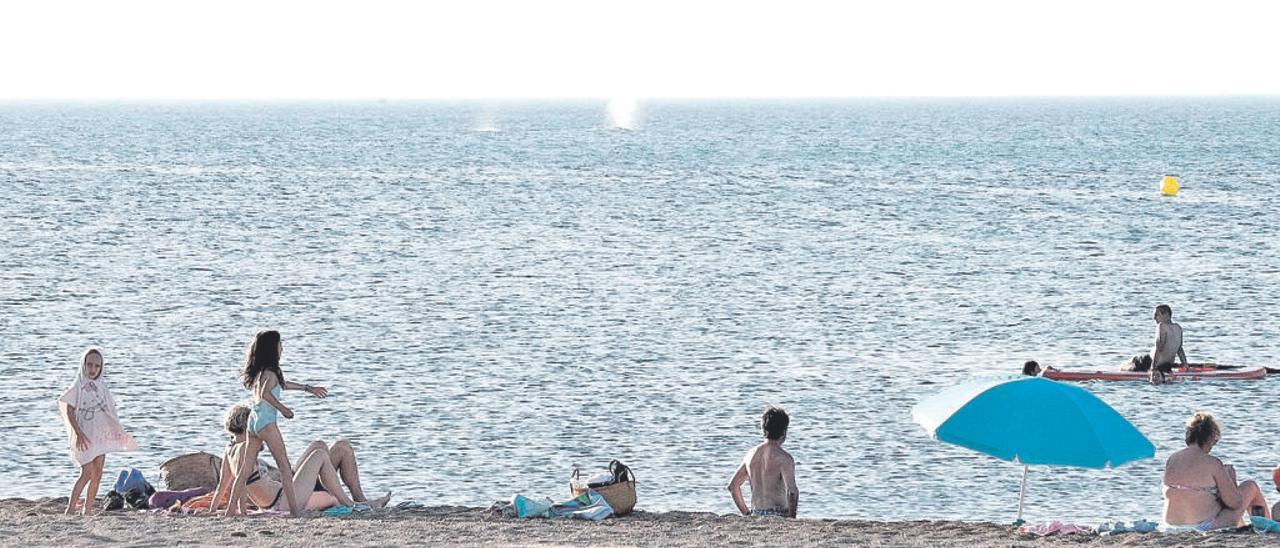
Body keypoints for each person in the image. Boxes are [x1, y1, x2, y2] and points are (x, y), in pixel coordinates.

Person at [206, 404, 390, 514]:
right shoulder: (246, 448)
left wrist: (212, 511)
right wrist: (236, 512)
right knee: (319, 455)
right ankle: (351, 504)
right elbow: (240, 482)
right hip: (283, 501)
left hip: (285, 492)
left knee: (319, 446)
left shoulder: (229, 450)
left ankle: (355, 498)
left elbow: (223, 486)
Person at [222, 330, 328, 517]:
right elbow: (265, 394)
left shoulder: (262, 372)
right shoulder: (270, 372)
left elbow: (282, 385)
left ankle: (231, 510)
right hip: (266, 423)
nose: (282, 348)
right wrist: (283, 409)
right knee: (285, 467)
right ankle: (295, 511)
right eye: (280, 344)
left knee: (244, 470)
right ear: (272, 349)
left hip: (253, 423)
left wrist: (307, 388)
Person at [58, 348, 138, 515]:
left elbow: (109, 411)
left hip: (99, 436)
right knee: (86, 472)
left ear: (101, 368)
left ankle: (87, 509)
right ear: (83, 365)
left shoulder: (102, 386)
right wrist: (78, 433)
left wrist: (117, 432)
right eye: (89, 365)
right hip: (84, 436)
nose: (93, 369)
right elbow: (68, 410)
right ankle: (70, 508)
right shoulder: (78, 386)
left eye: (97, 366)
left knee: (97, 473)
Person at [1163, 412, 1269, 530]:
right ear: (1210, 438)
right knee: (1250, 486)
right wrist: (1231, 479)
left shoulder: (1173, 459)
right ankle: (1268, 528)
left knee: (1217, 502)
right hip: (1203, 526)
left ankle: (1244, 529)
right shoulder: (1213, 463)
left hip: (1172, 526)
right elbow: (1235, 503)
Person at [728, 406, 798, 518]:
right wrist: (792, 517)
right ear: (784, 431)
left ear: (764, 429)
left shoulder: (751, 455)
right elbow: (792, 491)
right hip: (778, 513)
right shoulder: (785, 459)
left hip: (757, 513)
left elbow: (733, 486)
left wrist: (746, 514)